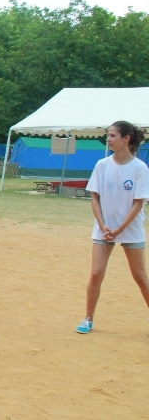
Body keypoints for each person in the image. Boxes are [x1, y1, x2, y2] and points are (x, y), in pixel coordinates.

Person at [76, 121, 149, 334]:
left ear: (126, 138)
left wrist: (119, 229)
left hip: (130, 230)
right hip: (104, 229)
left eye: (113, 135)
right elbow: (95, 198)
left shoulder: (139, 168)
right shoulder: (102, 165)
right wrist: (103, 225)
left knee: (140, 276)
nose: (108, 139)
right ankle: (88, 319)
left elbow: (138, 203)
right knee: (96, 273)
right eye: (108, 135)